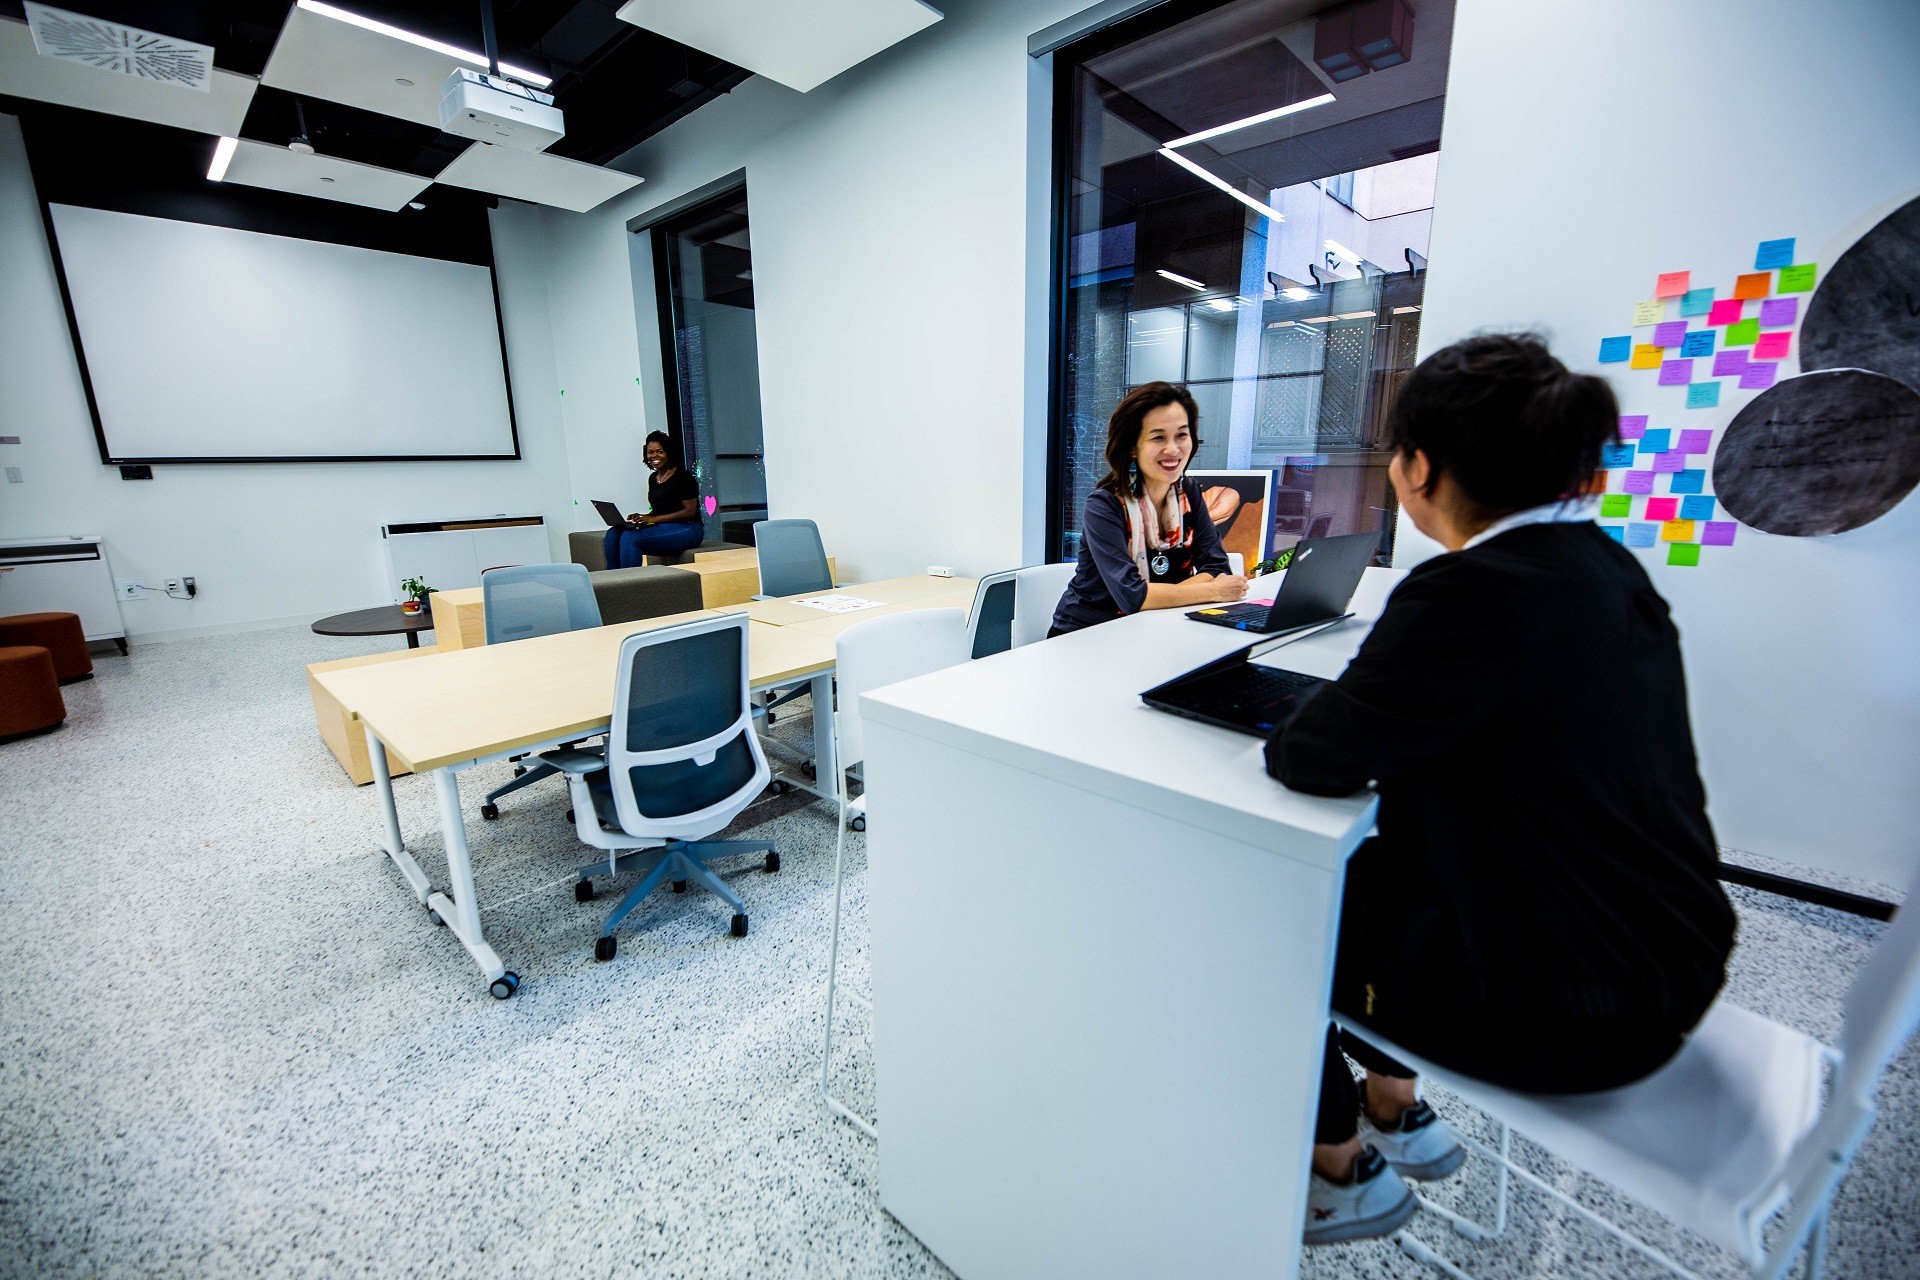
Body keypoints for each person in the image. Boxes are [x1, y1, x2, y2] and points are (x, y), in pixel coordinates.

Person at [1267, 334, 1736, 1246]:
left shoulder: (1468, 593)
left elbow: (1307, 757)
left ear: (1419, 468)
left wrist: (1337, 707)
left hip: (1574, 1013)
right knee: (1375, 870)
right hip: (1669, 958)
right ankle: (1395, 1105)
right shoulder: (1606, 570)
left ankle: (1336, 1166)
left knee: (1269, 897)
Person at [1049, 381, 1248, 636]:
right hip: (1086, 636)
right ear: (1132, 446)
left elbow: (1218, 567)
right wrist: (1212, 590)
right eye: (1158, 437)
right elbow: (1133, 597)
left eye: (1181, 435)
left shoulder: (1190, 492)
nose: (1173, 449)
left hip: (1159, 627)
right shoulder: (1104, 506)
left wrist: (1163, 596)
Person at [603, 431, 704, 569]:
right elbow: (660, 510)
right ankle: (612, 582)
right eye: (650, 452)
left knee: (630, 537)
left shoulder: (683, 477)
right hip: (664, 526)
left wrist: (653, 519)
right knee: (613, 533)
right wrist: (642, 517)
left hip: (689, 528)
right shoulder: (653, 479)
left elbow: (689, 512)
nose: (654, 456)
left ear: (668, 452)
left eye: (659, 451)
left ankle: (628, 586)